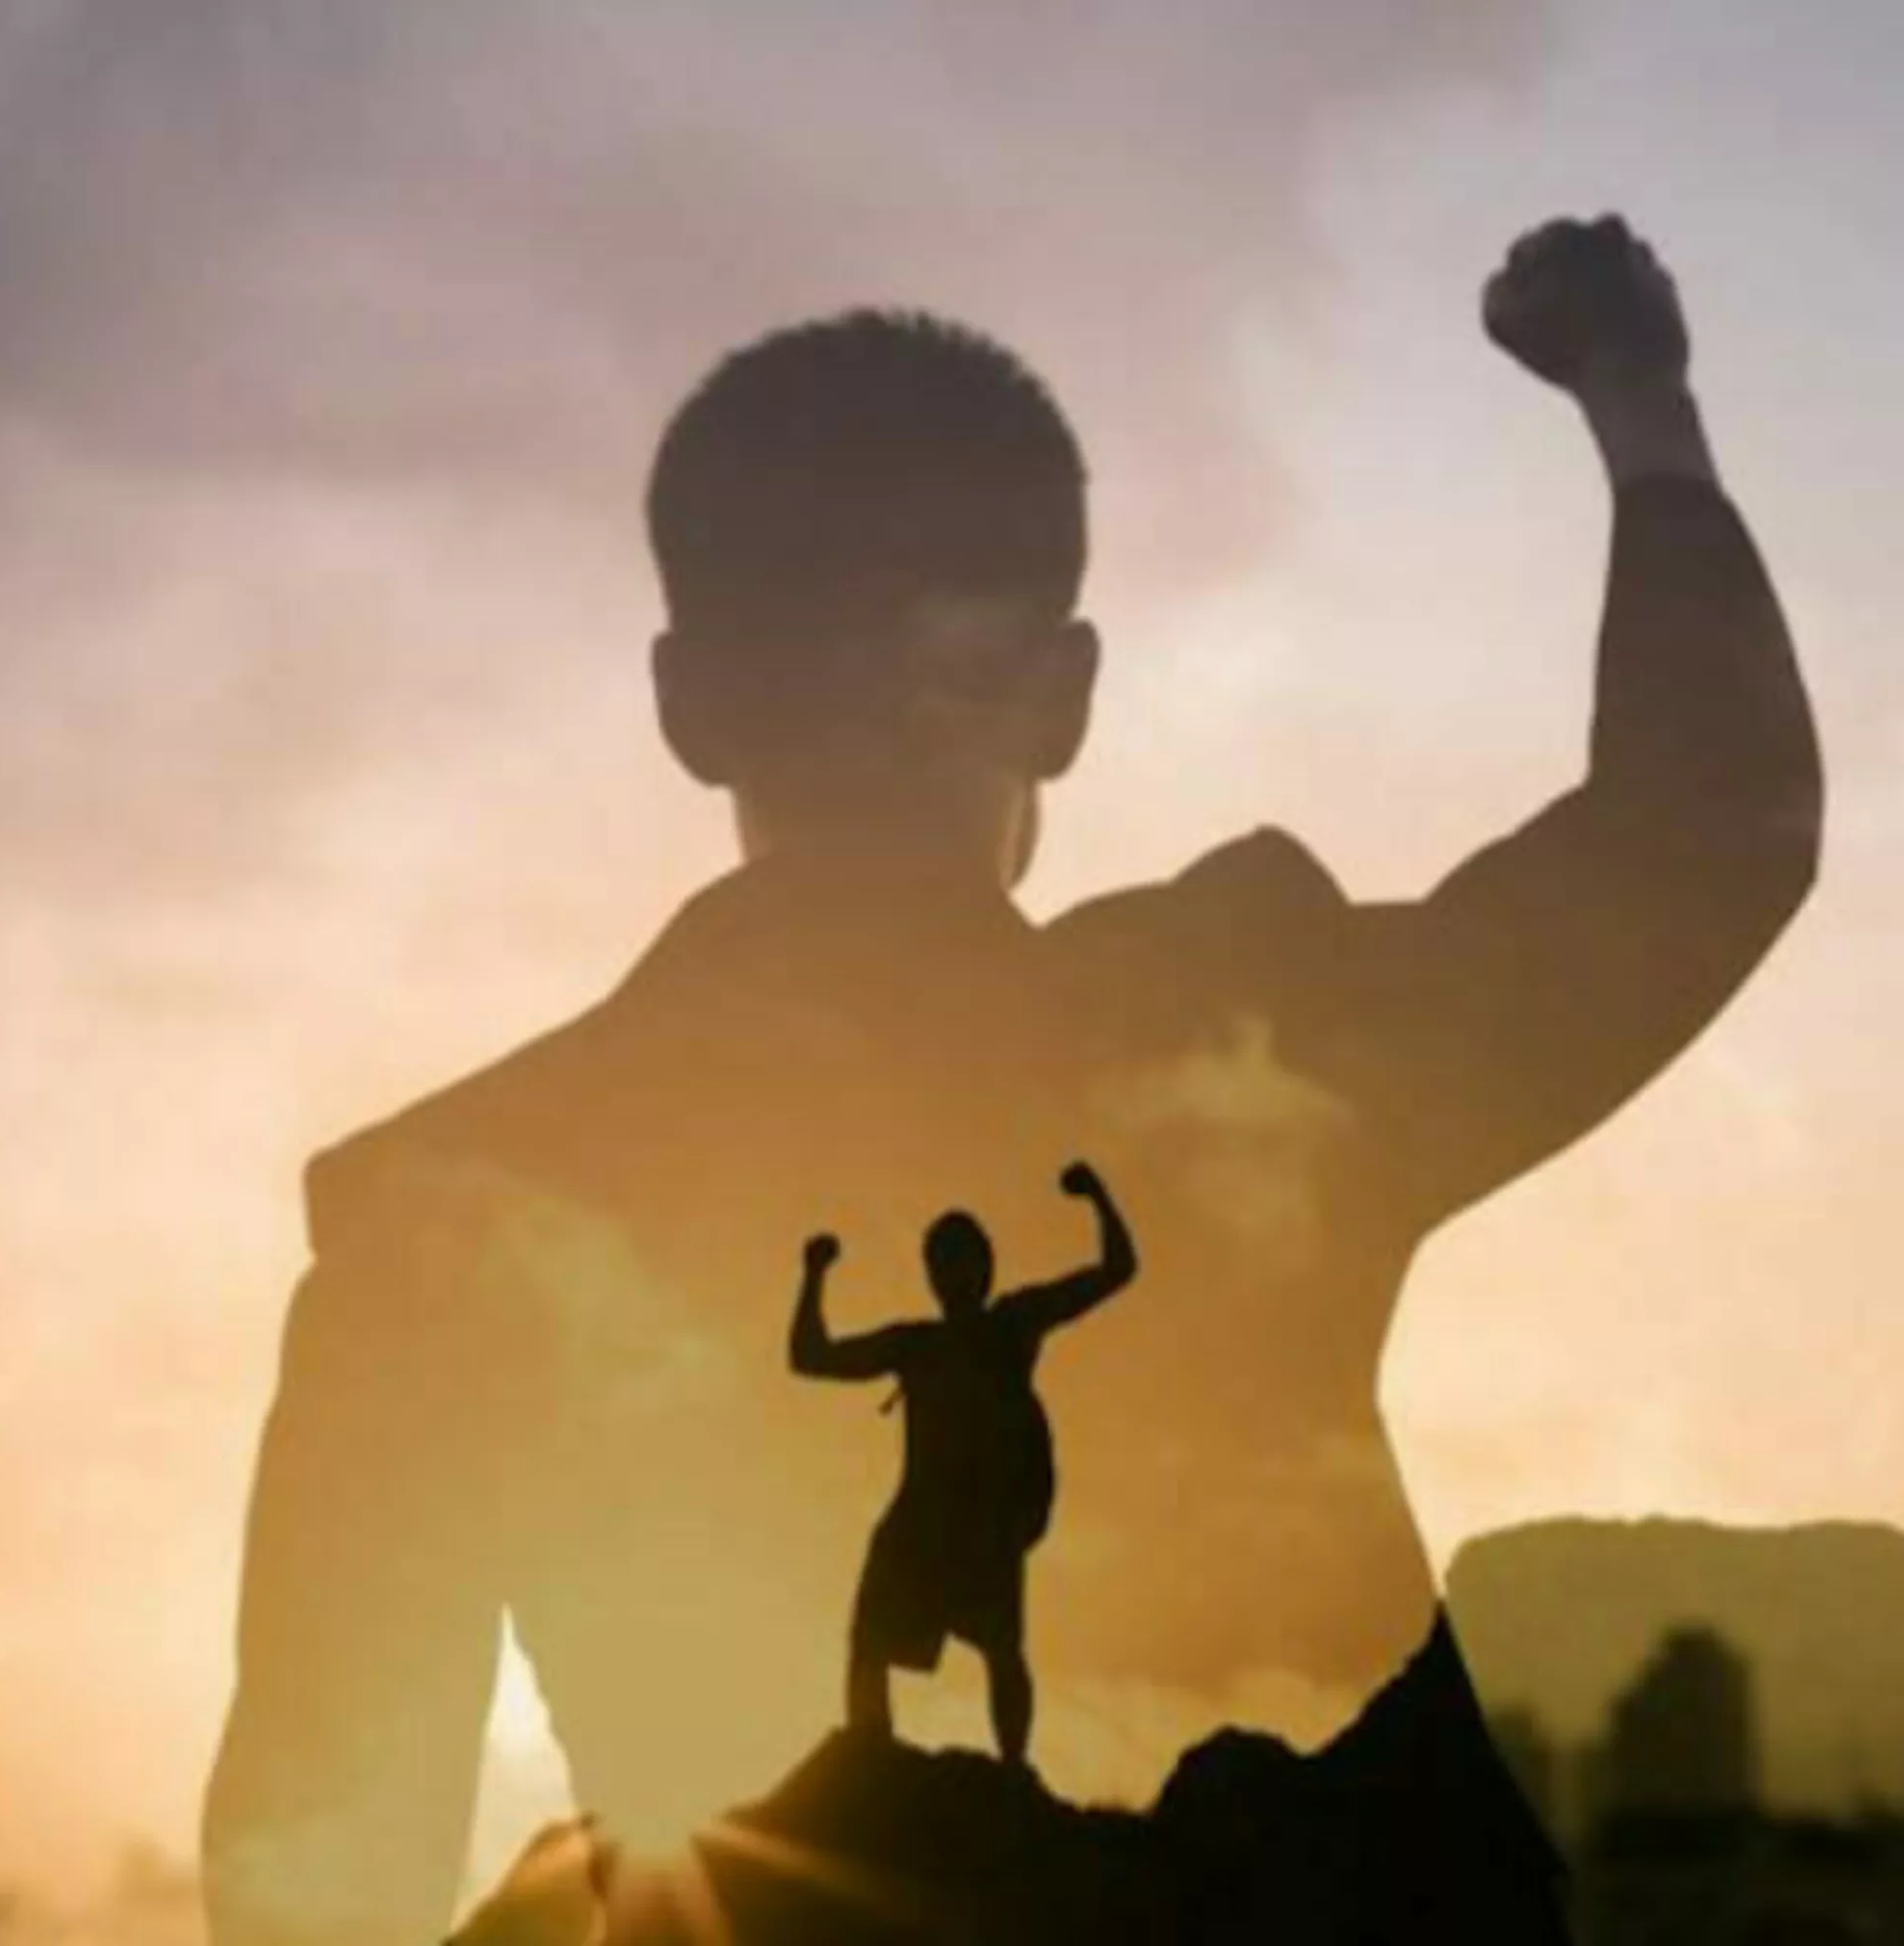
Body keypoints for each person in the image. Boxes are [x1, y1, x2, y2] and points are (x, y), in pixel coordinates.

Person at [204, 213, 1822, 1946]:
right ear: (1062, 701)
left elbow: (318, 1879)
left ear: (689, 709)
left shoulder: (439, 1221)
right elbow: (1699, 836)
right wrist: (1637, 400)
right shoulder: (1253, 1051)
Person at [790, 1162, 1137, 1766]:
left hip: (984, 1523)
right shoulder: (915, 1345)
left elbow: (1116, 1270)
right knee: (869, 1641)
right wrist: (813, 1275)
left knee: (1001, 1648)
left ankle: (1011, 1772)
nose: (949, 1272)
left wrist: (1099, 1198)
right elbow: (811, 1357)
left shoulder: (1013, 1323)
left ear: (984, 1267)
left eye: (961, 1258)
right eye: (939, 1260)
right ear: (930, 1273)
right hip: (918, 1521)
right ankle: (873, 1762)